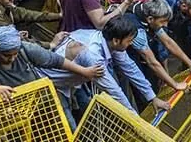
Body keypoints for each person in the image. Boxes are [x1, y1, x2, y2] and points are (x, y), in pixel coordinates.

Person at [37, 15, 170, 130]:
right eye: (129, 41)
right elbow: (113, 90)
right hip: (49, 85)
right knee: (68, 128)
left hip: (68, 85)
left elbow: (131, 68)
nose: (131, 44)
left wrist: (152, 98)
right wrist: (137, 121)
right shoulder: (92, 54)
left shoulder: (109, 41)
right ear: (116, 40)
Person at [0, 25, 104, 98]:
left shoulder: (25, 49)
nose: (12, 58)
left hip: (40, 99)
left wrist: (84, 71)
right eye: (6, 56)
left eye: (15, 54)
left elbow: (56, 60)